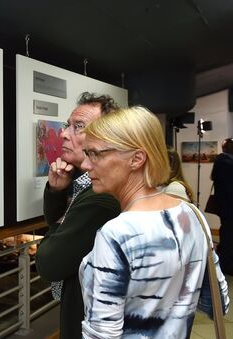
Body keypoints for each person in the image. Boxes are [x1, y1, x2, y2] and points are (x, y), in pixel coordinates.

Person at [79, 106, 229, 337]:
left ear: (137, 158)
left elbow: (102, 334)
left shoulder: (116, 233)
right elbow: (218, 302)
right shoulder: (192, 215)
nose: (85, 165)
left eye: (95, 154)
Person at [34, 92, 121, 338]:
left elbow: (49, 262)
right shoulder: (83, 184)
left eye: (78, 127)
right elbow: (58, 228)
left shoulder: (101, 197)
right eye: (67, 126)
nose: (63, 133)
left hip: (88, 320)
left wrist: (60, 228)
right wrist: (57, 191)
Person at [212, 137, 233, 274]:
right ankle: (228, 265)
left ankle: (227, 263)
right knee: (228, 235)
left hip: (226, 207)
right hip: (229, 207)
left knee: (227, 233)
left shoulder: (222, 162)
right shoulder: (226, 162)